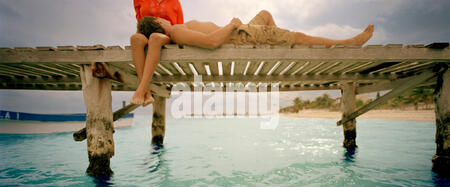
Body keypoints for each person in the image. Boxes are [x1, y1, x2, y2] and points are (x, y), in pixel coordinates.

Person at [130, 10, 374, 105]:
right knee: (298, 36)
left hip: (244, 31)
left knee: (266, 15)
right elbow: (214, 41)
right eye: (161, 20)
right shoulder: (177, 31)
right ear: (159, 24)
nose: (165, 19)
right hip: (241, 34)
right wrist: (231, 24)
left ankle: (277, 41)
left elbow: (152, 42)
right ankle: (348, 42)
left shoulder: (173, 33)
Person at [131, 0, 184, 106]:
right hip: (145, 33)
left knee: (154, 37)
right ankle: (147, 94)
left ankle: (141, 90)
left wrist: (166, 25)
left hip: (166, 35)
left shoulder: (175, 2)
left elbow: (180, 26)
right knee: (135, 38)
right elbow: (139, 21)